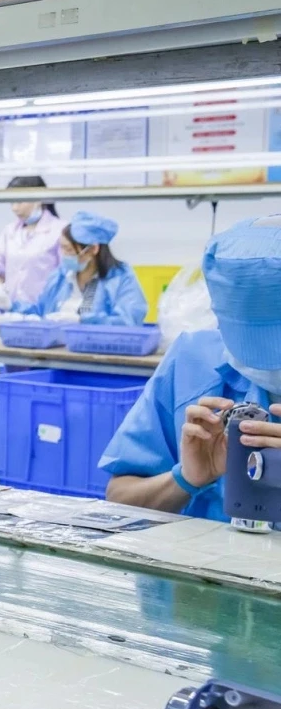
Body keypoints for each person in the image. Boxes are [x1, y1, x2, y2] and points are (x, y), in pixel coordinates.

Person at [102, 216, 281, 520]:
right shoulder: (192, 363)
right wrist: (186, 479)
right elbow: (119, 499)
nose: (265, 369)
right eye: (249, 347)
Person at [11, 211, 146, 326]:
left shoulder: (120, 278)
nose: (63, 254)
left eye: (68, 249)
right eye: (61, 248)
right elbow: (41, 311)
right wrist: (11, 306)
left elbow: (128, 321)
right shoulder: (61, 277)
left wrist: (82, 320)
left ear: (93, 249)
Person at [0, 175, 63, 311]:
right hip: (12, 314)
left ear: (39, 199)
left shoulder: (59, 230)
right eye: (11, 203)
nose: (14, 208)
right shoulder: (9, 231)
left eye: (20, 201)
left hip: (48, 314)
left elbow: (68, 277)